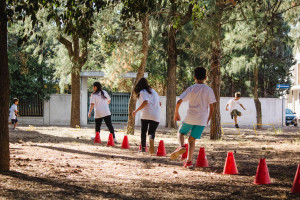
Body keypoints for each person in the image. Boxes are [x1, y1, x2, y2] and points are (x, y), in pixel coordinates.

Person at [170, 67, 216, 169]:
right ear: (206, 77)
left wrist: (176, 113)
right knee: (192, 140)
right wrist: (207, 120)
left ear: (194, 77)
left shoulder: (191, 88)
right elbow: (212, 108)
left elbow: (179, 102)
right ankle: (189, 162)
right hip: (202, 119)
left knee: (181, 133)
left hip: (191, 116)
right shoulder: (209, 90)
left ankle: (182, 147)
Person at [132, 78, 161, 155]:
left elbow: (145, 102)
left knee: (143, 131)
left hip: (146, 113)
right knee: (151, 132)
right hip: (156, 115)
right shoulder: (154, 92)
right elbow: (160, 103)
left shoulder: (142, 92)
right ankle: (151, 139)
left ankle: (143, 148)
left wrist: (136, 110)